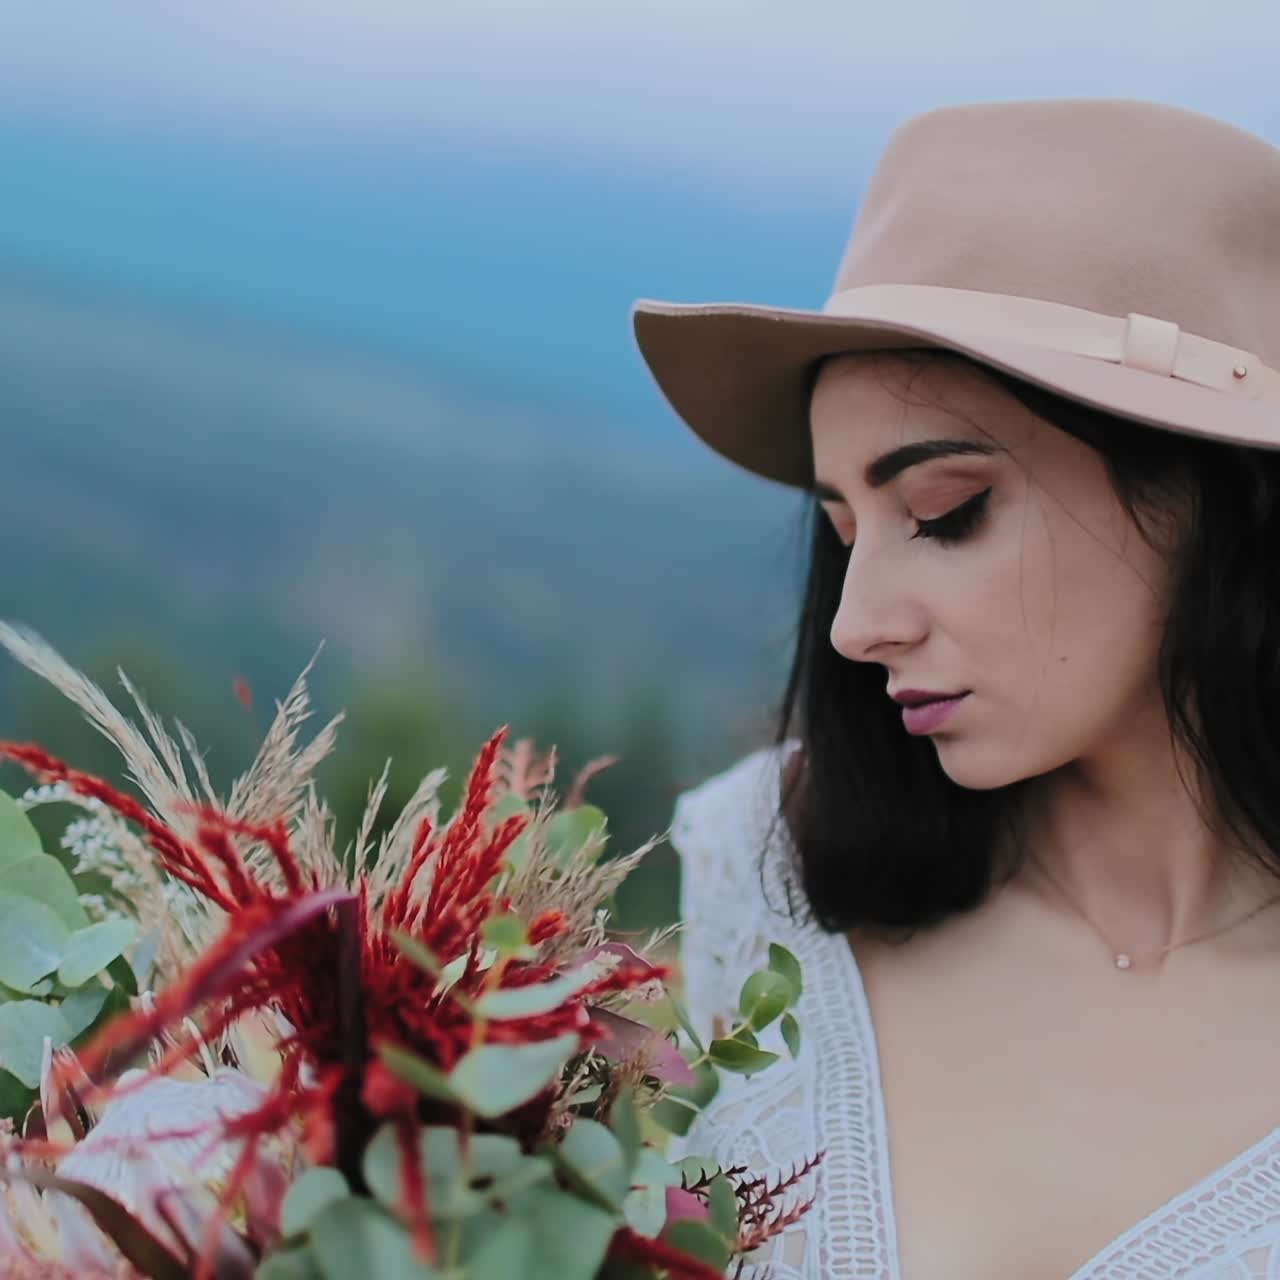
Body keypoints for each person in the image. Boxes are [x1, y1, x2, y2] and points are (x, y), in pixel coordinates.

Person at [631, 98, 1280, 1279]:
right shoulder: (761, 878)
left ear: (1200, 498)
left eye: (941, 513)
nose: (852, 625)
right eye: (842, 529)